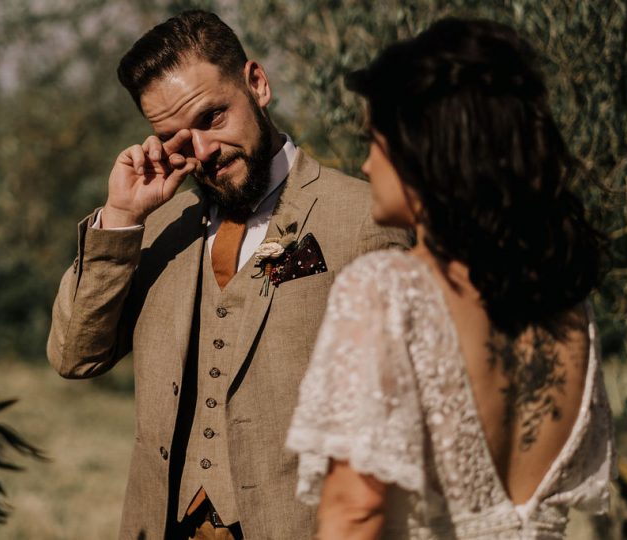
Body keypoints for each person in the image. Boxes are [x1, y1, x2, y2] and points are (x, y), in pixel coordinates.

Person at [46, 10, 410, 540]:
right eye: (175, 137)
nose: (203, 151)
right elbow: (75, 355)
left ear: (256, 84)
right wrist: (121, 217)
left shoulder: (363, 218)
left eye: (213, 117)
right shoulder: (157, 227)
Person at [286, 17, 615, 539]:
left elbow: (355, 512)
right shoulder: (570, 306)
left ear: (426, 150)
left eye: (376, 140)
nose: (368, 165)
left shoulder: (387, 289)